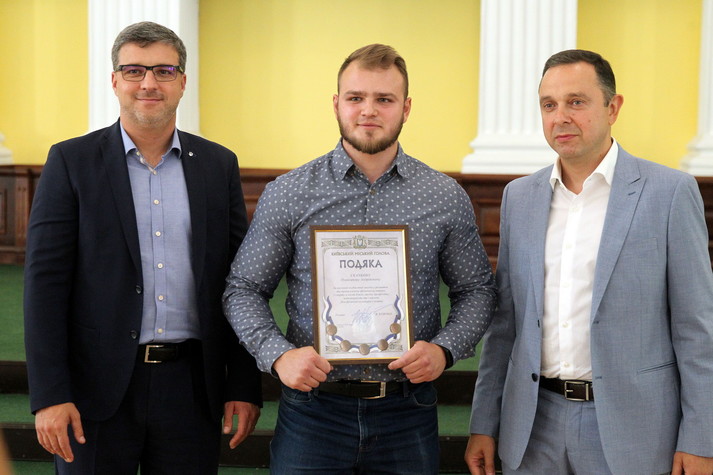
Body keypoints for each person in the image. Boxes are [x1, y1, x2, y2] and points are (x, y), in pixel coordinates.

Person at [223, 43, 496, 474]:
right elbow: (244, 289)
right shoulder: (289, 193)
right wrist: (278, 355)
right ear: (336, 104)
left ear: (406, 108)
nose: (368, 110)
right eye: (356, 98)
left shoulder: (443, 197)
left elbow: (476, 290)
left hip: (407, 409)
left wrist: (444, 350)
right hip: (313, 410)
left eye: (384, 99)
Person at [23, 21, 262, 474]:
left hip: (192, 388)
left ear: (182, 82)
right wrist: (50, 394)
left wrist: (243, 385)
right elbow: (44, 286)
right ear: (114, 81)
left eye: (163, 71)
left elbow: (238, 282)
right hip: (95, 388)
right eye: (134, 70)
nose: (149, 83)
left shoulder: (218, 165)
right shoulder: (71, 161)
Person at [466, 49, 713, 475]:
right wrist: (484, 424)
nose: (560, 117)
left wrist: (700, 439)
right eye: (549, 105)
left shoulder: (669, 193)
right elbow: (505, 326)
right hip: (533, 427)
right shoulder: (519, 198)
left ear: (613, 107)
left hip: (632, 430)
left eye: (576, 102)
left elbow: (697, 329)